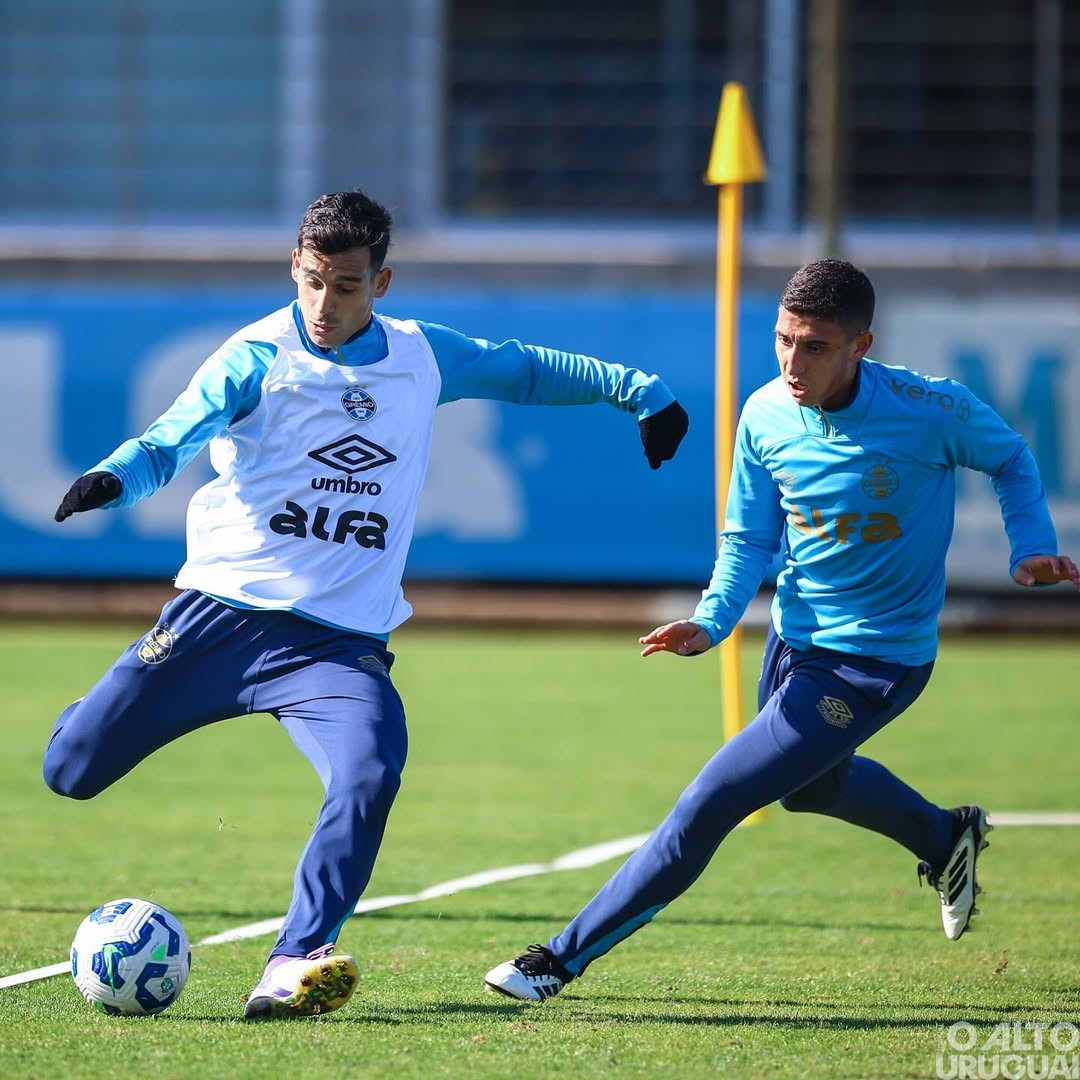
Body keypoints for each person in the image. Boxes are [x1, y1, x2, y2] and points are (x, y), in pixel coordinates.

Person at [46, 187, 689, 1019]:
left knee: (370, 770)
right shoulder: (255, 355)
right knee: (70, 772)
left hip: (336, 648)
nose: (324, 301)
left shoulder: (423, 356)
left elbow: (525, 369)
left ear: (380, 283)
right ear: (295, 266)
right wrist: (115, 478)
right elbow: (170, 439)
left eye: (345, 284)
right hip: (219, 620)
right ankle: (105, 704)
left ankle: (292, 961)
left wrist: (640, 389)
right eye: (313, 279)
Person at [484, 258, 1079, 1003]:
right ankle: (942, 835)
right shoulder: (765, 412)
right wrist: (711, 621)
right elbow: (748, 539)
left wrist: (1029, 550)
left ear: (862, 344)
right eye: (784, 340)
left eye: (816, 346)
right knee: (807, 791)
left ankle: (557, 960)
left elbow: (1013, 459)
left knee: (711, 801)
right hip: (794, 646)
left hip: (877, 664)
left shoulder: (932, 410)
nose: (794, 363)